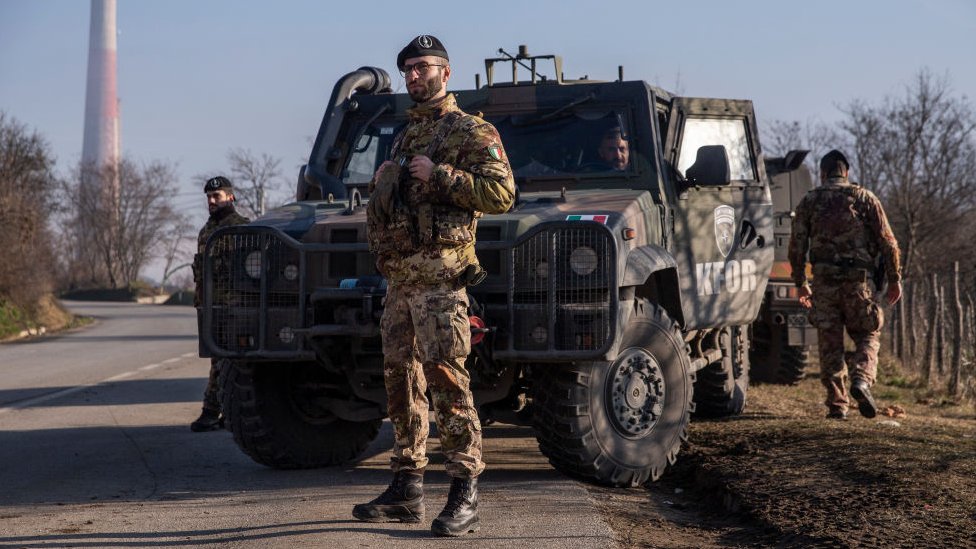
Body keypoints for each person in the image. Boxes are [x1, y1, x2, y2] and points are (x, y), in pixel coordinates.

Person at [354, 34, 515, 537]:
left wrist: (442, 174)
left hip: (442, 282)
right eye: (407, 70)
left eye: (423, 67)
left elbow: (502, 193)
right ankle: (407, 487)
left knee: (447, 379)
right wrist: (387, 178)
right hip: (402, 281)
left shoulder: (471, 131)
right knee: (400, 380)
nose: (414, 76)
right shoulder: (405, 136)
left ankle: (464, 491)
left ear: (447, 72)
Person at [788, 150, 902, 420]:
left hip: (824, 285)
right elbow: (889, 243)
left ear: (823, 173)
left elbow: (796, 246)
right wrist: (895, 279)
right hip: (858, 284)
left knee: (830, 344)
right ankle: (861, 379)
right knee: (868, 335)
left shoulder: (810, 201)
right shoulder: (865, 198)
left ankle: (837, 405)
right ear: (847, 172)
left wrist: (801, 283)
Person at [190, 175, 250, 432]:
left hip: (234, 305)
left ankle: (211, 410)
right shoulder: (206, 231)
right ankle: (228, 410)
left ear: (230, 196)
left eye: (217, 196)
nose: (212, 201)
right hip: (210, 306)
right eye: (209, 197)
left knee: (223, 359)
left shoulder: (242, 228)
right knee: (221, 359)